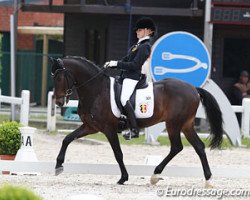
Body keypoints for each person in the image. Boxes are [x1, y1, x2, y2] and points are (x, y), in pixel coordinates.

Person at [104, 17, 156, 140]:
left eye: (140, 30)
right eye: (137, 30)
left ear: (148, 31)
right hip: (126, 76)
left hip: (134, 77)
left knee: (123, 98)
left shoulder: (145, 46)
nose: (137, 32)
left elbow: (135, 65)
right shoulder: (137, 46)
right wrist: (113, 63)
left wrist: (116, 64)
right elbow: (126, 60)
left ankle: (134, 129)